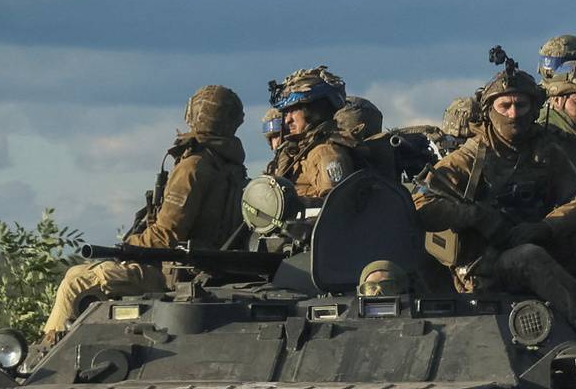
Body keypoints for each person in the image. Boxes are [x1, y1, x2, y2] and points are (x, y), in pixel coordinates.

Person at [413, 60, 576, 361]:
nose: (513, 114)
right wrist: (478, 217)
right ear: (490, 110)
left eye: (521, 106)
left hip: (539, 241)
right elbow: (421, 202)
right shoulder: (471, 156)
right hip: (488, 265)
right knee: (528, 257)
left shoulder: (545, 151)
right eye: (505, 106)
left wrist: (546, 227)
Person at [40, 85, 247, 343]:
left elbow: (166, 235)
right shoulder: (232, 168)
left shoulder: (193, 166)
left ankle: (46, 351)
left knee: (76, 283)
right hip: (200, 270)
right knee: (75, 273)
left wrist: (127, 248)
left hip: (172, 273)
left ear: (195, 114)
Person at [269, 66, 360, 201]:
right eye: (286, 113)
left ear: (313, 110)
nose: (287, 120)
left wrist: (294, 206)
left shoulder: (325, 153)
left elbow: (335, 206)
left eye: (294, 111)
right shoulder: (298, 151)